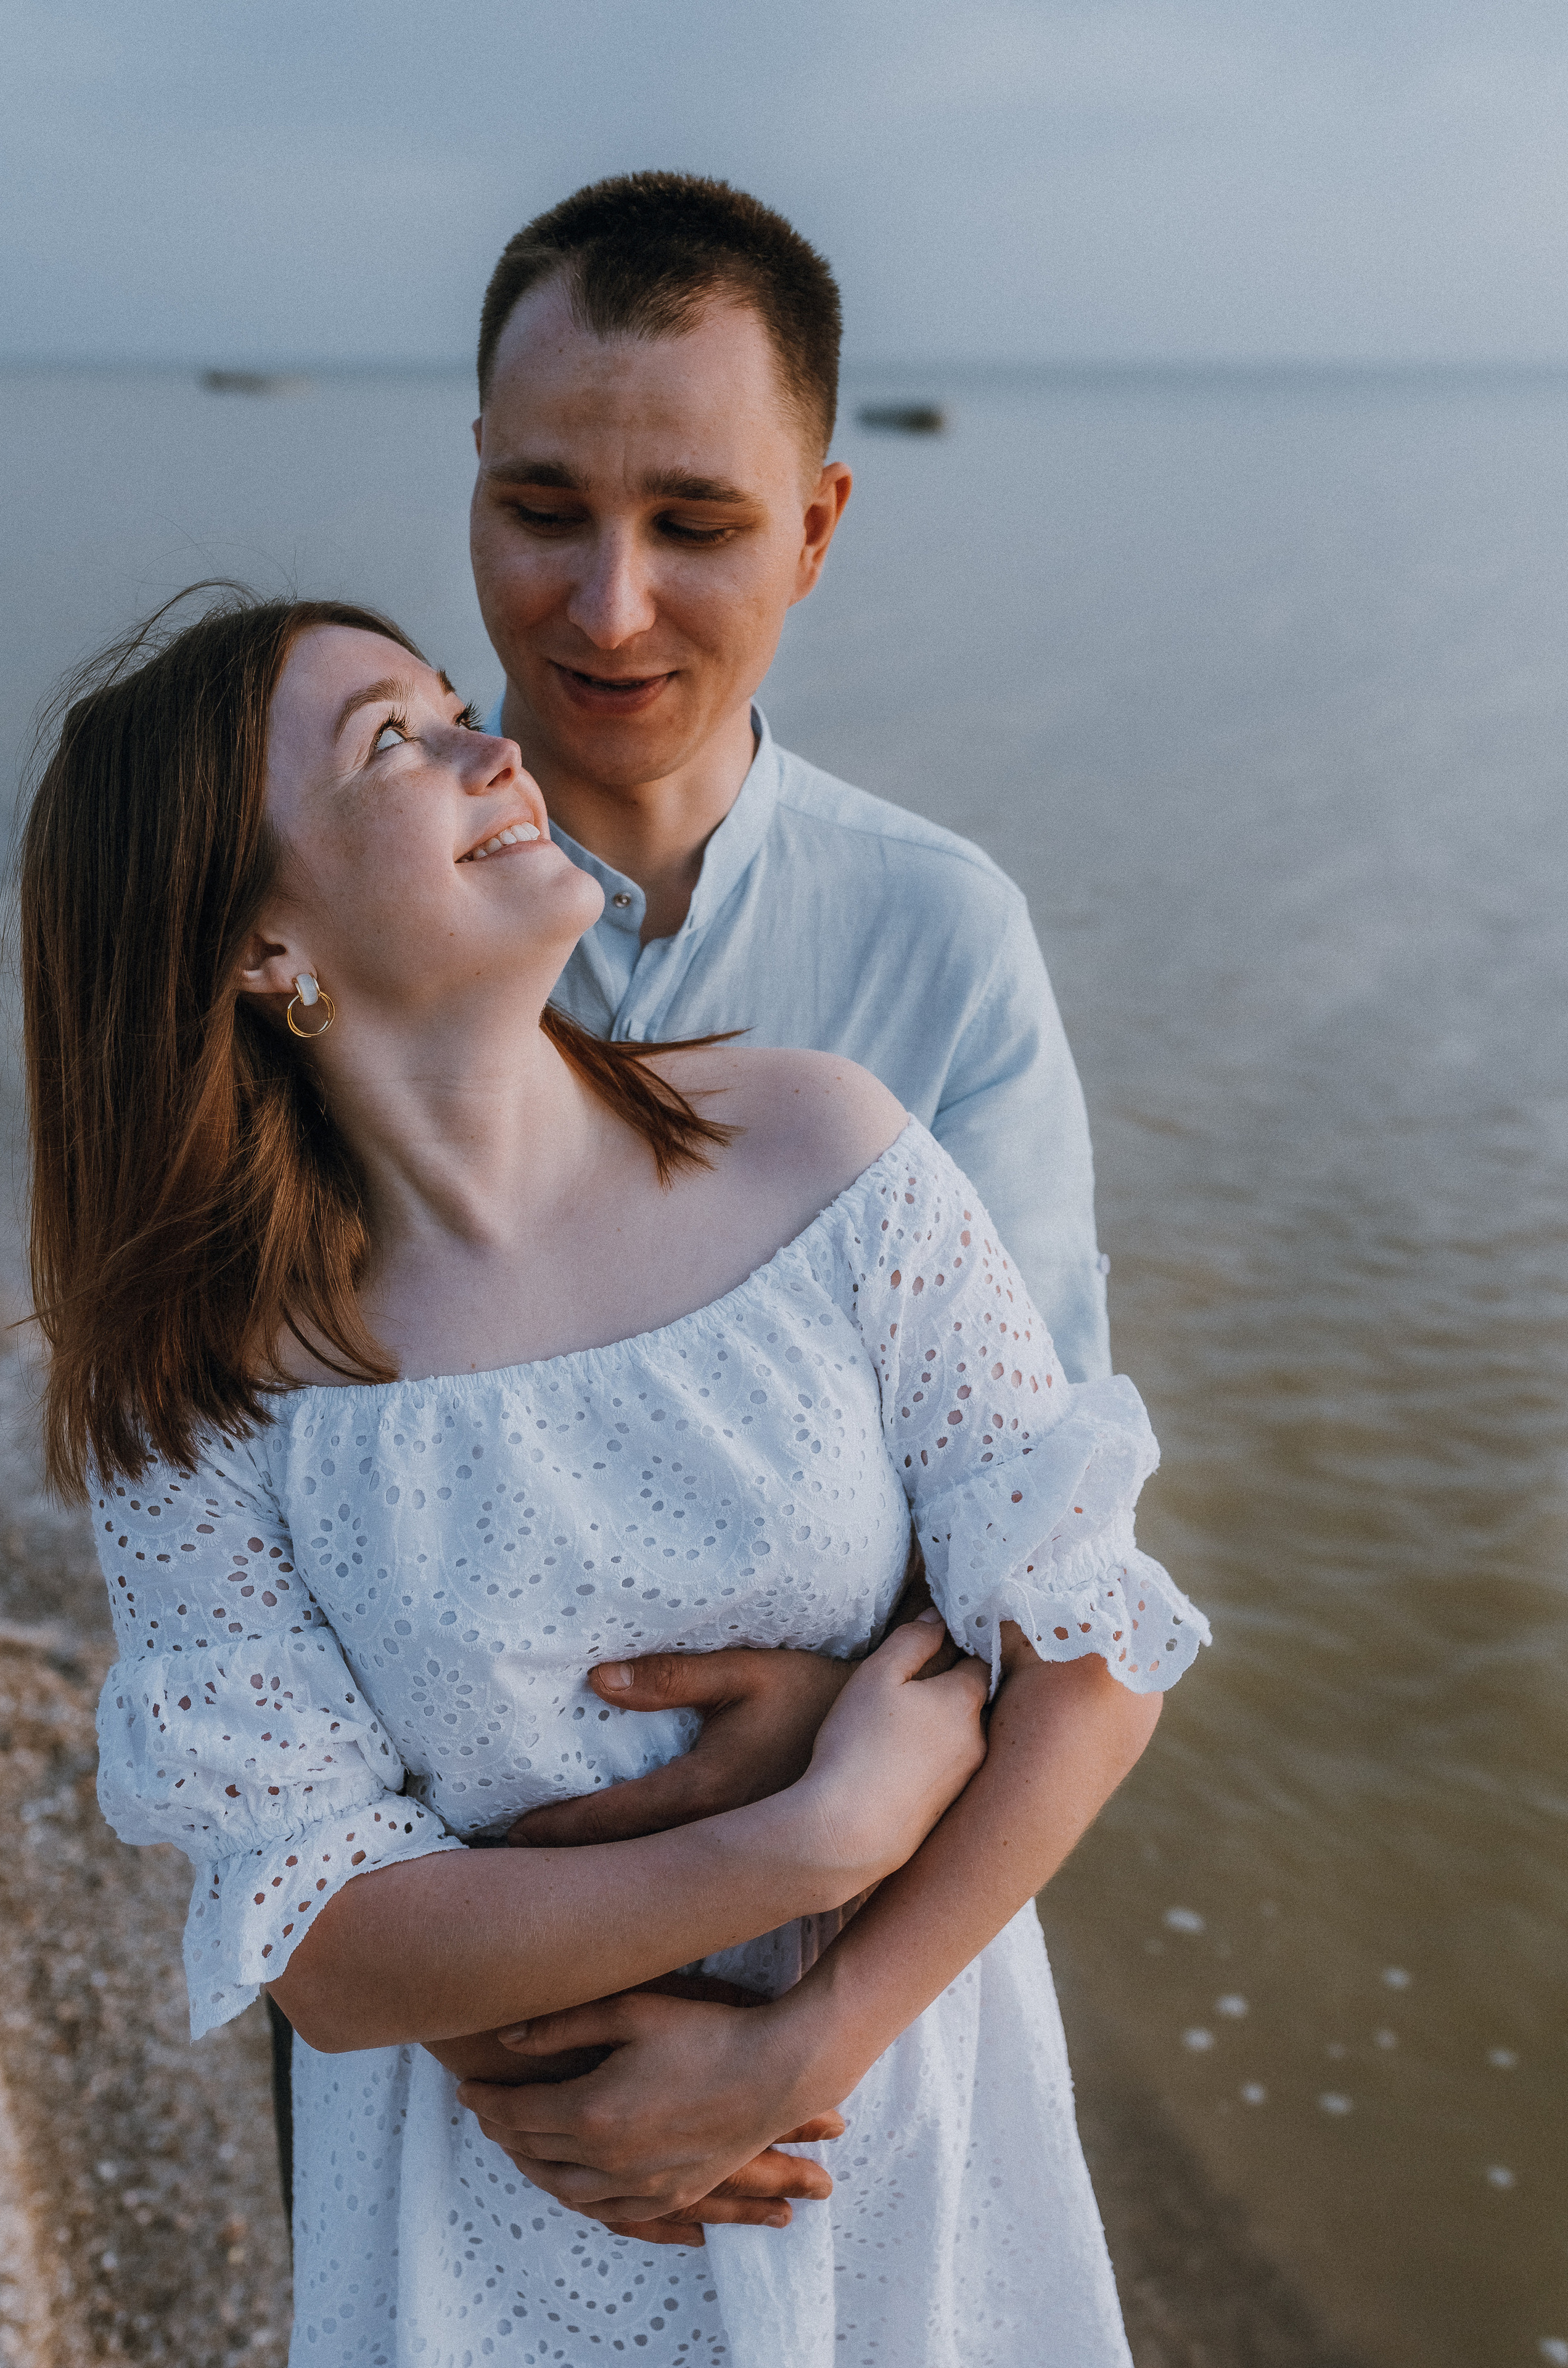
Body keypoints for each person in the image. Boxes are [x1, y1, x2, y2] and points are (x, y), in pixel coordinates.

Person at [24, 593, 1207, 2365]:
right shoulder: (203, 1389)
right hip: (513, 2204)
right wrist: (809, 1836)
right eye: (391, 741)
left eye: (450, 703)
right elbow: (323, 1944)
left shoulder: (821, 1148)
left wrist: (806, 2043)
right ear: (262, 947)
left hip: (889, 2132)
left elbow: (1094, 1652)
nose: (491, 746)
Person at [441, 169, 1133, 2243]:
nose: (608, 607)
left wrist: (800, 2041)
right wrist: (439, 2012)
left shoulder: (942, 940)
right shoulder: (322, 921)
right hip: (452, 2018)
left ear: (817, 529)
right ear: (472, 485)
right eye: (544, 509)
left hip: (866, 2000)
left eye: (698, 523)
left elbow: (1069, 1582)